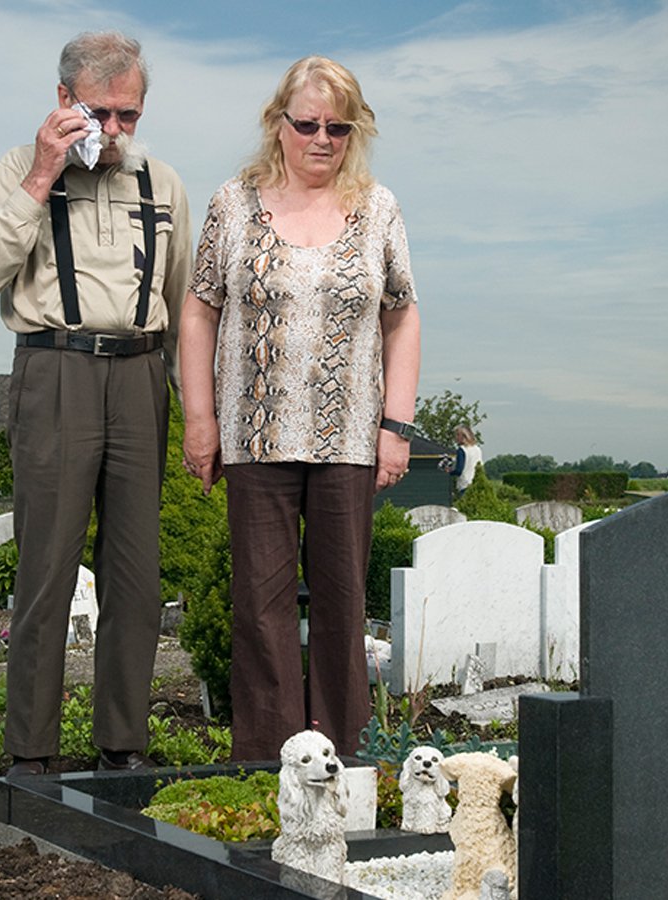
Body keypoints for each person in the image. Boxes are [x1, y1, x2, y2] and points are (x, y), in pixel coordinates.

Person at [0, 31, 192, 776]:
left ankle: (123, 747)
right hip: (53, 371)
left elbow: (182, 303)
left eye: (130, 114)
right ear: (65, 101)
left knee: (135, 572)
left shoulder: (163, 183)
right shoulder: (16, 169)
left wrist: (198, 417)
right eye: (103, 113)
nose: (118, 131)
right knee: (47, 566)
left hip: (138, 375)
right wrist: (39, 176)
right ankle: (31, 754)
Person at [180, 56, 421, 761]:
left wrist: (395, 427)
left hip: (348, 437)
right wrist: (201, 419)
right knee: (260, 610)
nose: (321, 139)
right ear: (277, 123)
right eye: (307, 124)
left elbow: (400, 317)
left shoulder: (378, 208)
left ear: (354, 131)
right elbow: (198, 311)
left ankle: (343, 762)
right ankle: (268, 764)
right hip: (254, 438)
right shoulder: (233, 204)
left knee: (344, 606)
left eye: (337, 127)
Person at [441, 424, 483, 493]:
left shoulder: (462, 450)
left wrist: (449, 471)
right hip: (477, 482)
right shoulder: (477, 449)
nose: (456, 438)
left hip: (465, 484)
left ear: (463, 436)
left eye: (457, 435)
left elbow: (459, 470)